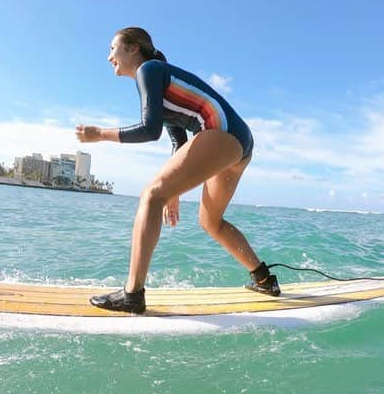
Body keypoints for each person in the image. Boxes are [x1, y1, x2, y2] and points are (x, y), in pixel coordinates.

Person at [75, 27, 279, 314]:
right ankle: (265, 279)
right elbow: (177, 141)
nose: (109, 57)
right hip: (238, 143)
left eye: (113, 48)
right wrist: (175, 193)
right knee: (211, 221)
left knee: (151, 194)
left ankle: (132, 293)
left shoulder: (149, 69)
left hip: (220, 133)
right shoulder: (160, 78)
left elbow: (149, 130)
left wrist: (100, 134)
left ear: (133, 48)